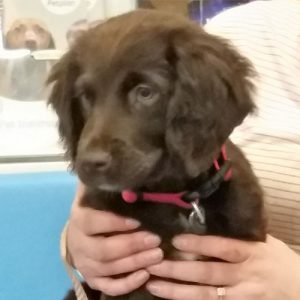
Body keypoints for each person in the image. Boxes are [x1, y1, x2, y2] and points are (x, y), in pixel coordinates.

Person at [63, 0, 300, 299]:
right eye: (87, 96)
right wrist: (79, 245)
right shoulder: (239, 27)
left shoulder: (236, 198)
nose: (94, 148)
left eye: (145, 92)